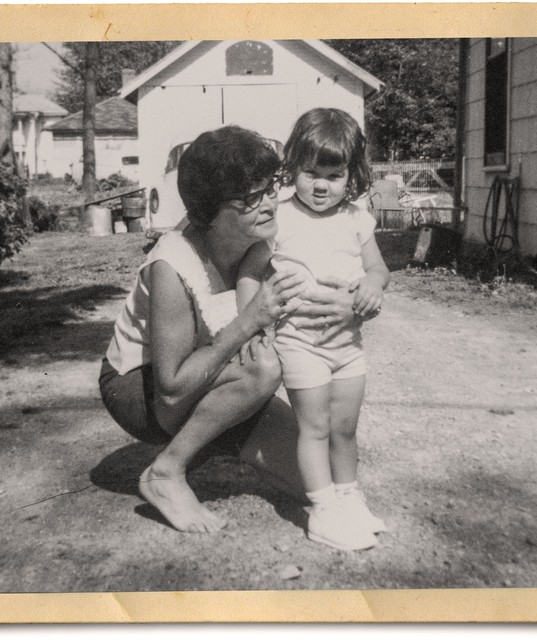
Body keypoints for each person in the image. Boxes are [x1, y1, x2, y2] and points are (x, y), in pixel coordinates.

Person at [98, 125, 360, 534]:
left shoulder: (267, 232)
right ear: (209, 213)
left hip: (217, 373)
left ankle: (223, 433)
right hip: (142, 391)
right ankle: (166, 472)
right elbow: (172, 387)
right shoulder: (173, 267)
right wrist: (250, 320)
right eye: (250, 199)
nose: (270, 203)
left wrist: (354, 305)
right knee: (264, 368)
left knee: (321, 477)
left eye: (269, 188)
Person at [236, 108, 390, 551]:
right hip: (299, 341)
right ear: (293, 169)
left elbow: (378, 268)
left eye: (334, 175)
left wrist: (372, 286)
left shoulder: (356, 218)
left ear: (351, 175)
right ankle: (322, 509)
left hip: (347, 343)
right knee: (315, 427)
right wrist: (253, 323)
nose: (321, 185)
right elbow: (250, 271)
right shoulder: (280, 218)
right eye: (310, 172)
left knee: (345, 426)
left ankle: (349, 497)